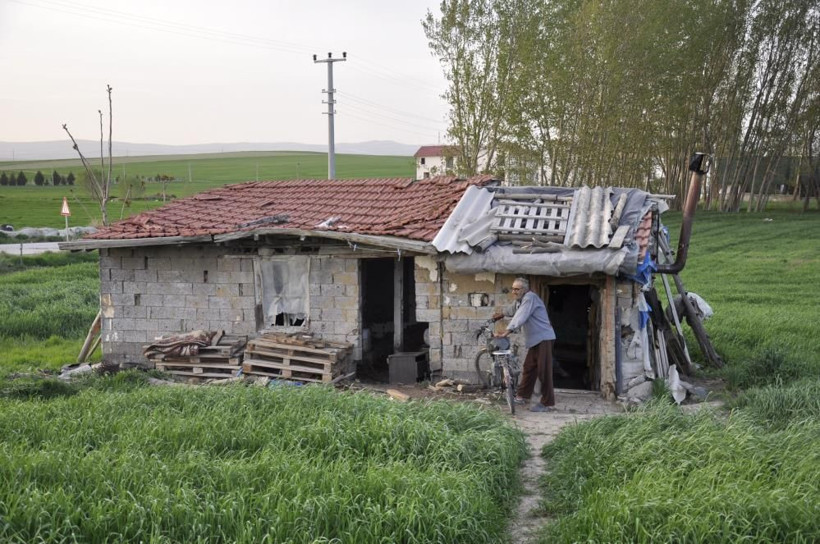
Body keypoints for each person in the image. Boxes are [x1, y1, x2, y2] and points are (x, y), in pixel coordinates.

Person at [492, 277, 556, 412]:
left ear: (525, 289)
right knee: (529, 367)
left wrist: (507, 332)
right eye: (513, 289)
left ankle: (548, 403)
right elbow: (512, 310)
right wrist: (501, 315)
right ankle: (522, 396)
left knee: (543, 371)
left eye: (517, 289)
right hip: (535, 340)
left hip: (544, 338)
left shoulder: (530, 298)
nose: (514, 292)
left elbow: (521, 315)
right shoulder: (519, 301)